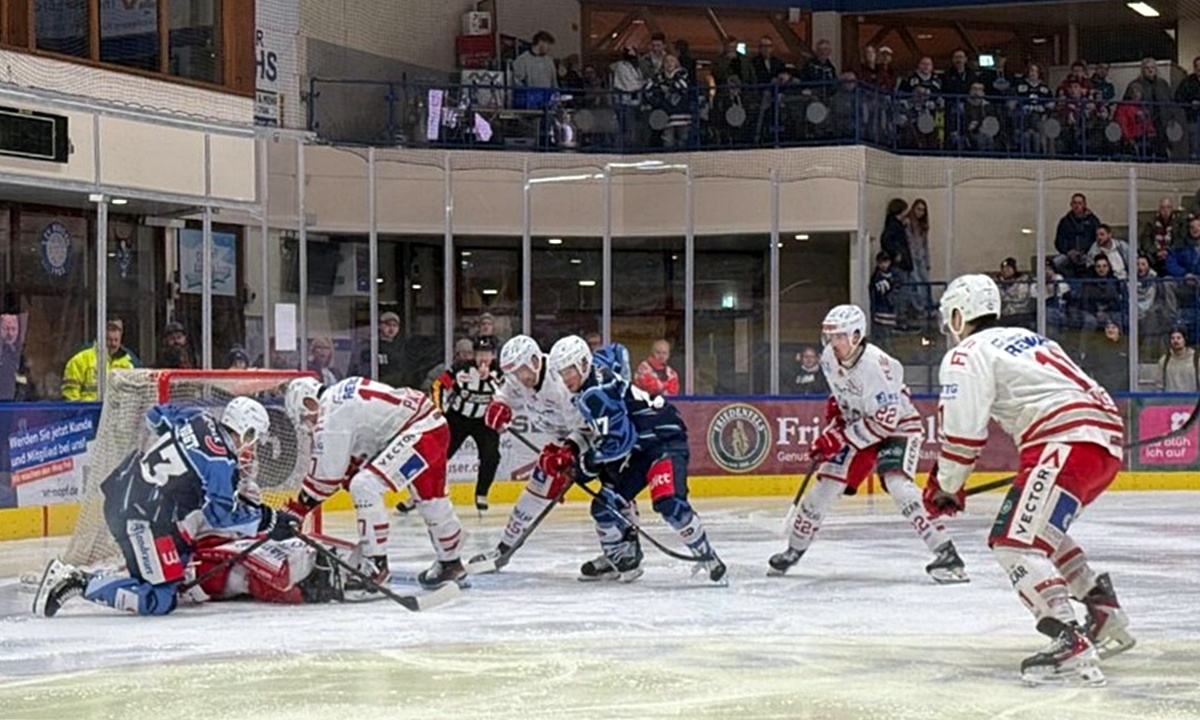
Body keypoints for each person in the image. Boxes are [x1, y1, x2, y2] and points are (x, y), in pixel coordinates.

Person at [926, 274, 1133, 685]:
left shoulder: (967, 353)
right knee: (1041, 533)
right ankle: (1101, 610)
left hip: (1063, 440)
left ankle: (1068, 637)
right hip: (1103, 441)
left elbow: (963, 433)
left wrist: (947, 485)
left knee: (1013, 542)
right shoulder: (1029, 337)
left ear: (957, 314)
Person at [33, 397, 291, 617]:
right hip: (140, 516)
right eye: (254, 439)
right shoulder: (222, 463)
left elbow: (155, 416)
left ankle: (143, 572)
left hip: (128, 490)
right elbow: (221, 515)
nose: (254, 449)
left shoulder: (198, 418)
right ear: (247, 431)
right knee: (159, 600)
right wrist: (268, 519)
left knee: (178, 552)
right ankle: (76, 581)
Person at [768, 304, 968, 584]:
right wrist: (835, 421)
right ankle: (794, 549)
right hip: (859, 424)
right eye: (829, 337)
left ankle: (946, 552)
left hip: (897, 425)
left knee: (899, 486)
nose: (832, 343)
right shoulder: (828, 358)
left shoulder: (877, 366)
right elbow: (841, 398)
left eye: (839, 337)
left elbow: (884, 423)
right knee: (825, 487)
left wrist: (837, 438)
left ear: (857, 335)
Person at [552, 337, 724, 583]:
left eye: (568, 370)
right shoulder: (596, 366)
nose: (565, 378)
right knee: (604, 506)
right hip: (641, 449)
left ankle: (707, 556)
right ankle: (619, 557)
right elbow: (617, 351)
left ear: (582, 363)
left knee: (669, 503)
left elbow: (620, 440)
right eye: (560, 372)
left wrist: (584, 467)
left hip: (664, 440)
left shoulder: (594, 394)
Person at [283, 375, 466, 589]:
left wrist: (297, 509)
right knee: (431, 499)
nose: (309, 425)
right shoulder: (342, 392)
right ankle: (451, 563)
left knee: (364, 486)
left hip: (418, 432)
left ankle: (375, 566)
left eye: (306, 418)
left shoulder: (330, 412)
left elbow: (326, 476)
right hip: (432, 426)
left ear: (309, 402)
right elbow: (366, 439)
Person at [469, 335, 590, 570]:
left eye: (522, 370)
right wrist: (499, 405)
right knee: (532, 495)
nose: (518, 378)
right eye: (513, 372)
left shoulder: (561, 381)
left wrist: (570, 450)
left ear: (535, 360)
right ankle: (503, 549)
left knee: (613, 494)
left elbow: (587, 428)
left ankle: (621, 550)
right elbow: (505, 394)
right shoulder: (517, 378)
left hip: (589, 443)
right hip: (560, 445)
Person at [428, 335, 502, 512]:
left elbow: (504, 396)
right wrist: (439, 410)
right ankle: (422, 493)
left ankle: (481, 494)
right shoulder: (460, 369)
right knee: (439, 456)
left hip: (484, 422)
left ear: (493, 355)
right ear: (473, 355)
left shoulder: (500, 373)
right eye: (479, 353)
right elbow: (437, 385)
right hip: (458, 418)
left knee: (491, 456)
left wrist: (489, 379)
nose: (483, 358)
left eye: (487, 354)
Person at [62, 318, 141, 400]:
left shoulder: (128, 362)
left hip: (117, 412)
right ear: (101, 338)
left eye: (116, 340)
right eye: (109, 340)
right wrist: (81, 412)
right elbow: (70, 395)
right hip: (88, 411)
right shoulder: (80, 360)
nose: (113, 344)